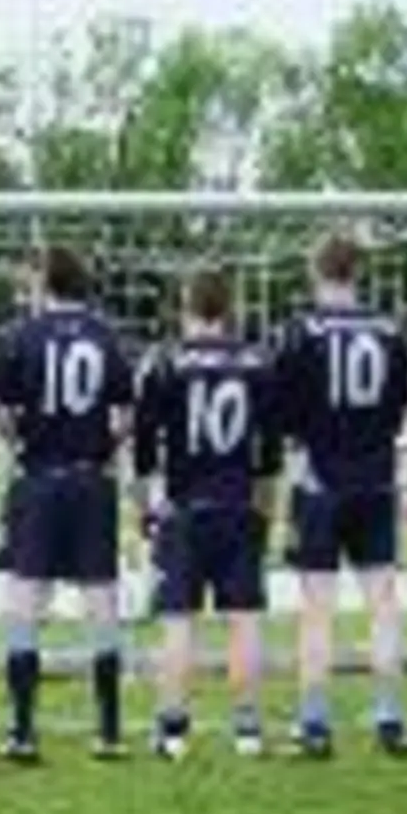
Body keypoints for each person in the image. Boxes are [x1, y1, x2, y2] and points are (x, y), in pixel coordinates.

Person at [0, 246, 133, 762]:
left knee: (26, 599)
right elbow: (123, 412)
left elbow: (3, 414)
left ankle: (23, 730)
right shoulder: (106, 335)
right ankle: (110, 730)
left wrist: (25, 446)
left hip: (40, 478)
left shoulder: (20, 336)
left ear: (46, 281)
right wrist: (101, 449)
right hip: (91, 479)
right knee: (101, 600)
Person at [134, 268, 283, 760]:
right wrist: (267, 513)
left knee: (179, 621)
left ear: (186, 306)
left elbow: (144, 450)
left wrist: (144, 509)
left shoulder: (164, 362)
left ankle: (173, 729)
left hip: (184, 507)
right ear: (230, 306)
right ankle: (247, 730)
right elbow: (270, 454)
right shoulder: (259, 363)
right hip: (239, 504)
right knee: (244, 619)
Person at [273, 233, 407, 757]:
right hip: (376, 477)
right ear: (359, 272)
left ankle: (314, 722)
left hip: (320, 478)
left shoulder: (301, 331)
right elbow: (399, 407)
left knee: (317, 605)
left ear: (317, 270)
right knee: (383, 600)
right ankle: (391, 717)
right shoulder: (390, 331)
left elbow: (282, 412)